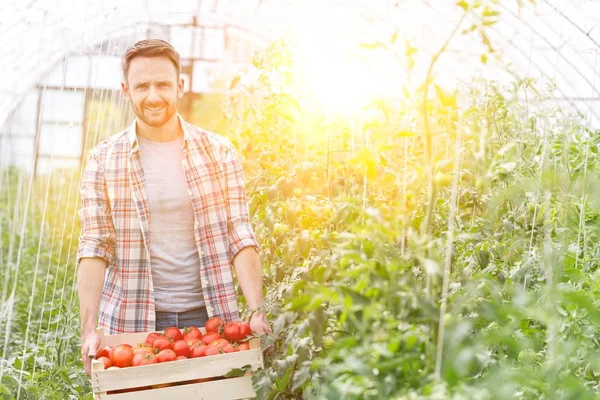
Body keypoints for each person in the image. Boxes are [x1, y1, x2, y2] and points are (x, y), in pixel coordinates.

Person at [76, 39, 270, 376]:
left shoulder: (218, 152)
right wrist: (89, 329)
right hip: (131, 324)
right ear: (126, 90)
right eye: (142, 86)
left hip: (210, 321)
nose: (153, 96)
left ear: (180, 86)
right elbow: (95, 246)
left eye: (163, 84)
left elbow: (239, 233)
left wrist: (256, 309)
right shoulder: (103, 160)